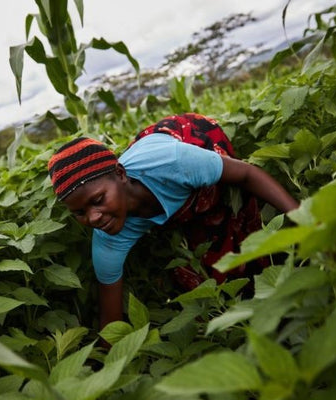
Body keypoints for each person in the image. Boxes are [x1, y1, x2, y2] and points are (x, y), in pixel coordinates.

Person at [48, 113, 299, 330]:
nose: (92, 217)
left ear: (121, 174)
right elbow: (109, 306)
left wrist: (303, 218)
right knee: (203, 278)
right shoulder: (108, 233)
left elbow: (246, 174)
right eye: (79, 213)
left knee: (235, 218)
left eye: (98, 200)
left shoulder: (173, 162)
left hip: (191, 137)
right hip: (151, 165)